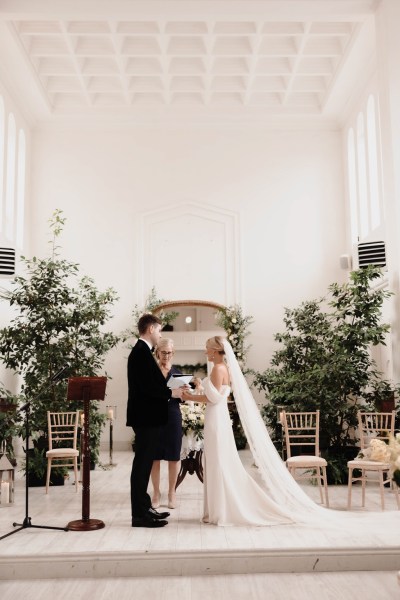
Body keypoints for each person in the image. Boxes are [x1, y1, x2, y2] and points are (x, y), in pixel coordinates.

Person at [181, 335, 325, 526]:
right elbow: (216, 394)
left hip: (216, 417)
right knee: (218, 461)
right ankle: (218, 510)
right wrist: (200, 388)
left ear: (215, 351)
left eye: (207, 348)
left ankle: (221, 511)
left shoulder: (217, 368)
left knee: (218, 462)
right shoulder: (223, 368)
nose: (206, 351)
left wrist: (189, 396)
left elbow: (213, 398)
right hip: (218, 417)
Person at [127, 314, 184, 528]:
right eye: (159, 330)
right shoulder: (141, 352)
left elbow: (150, 386)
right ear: (150, 329)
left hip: (147, 417)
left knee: (143, 466)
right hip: (145, 417)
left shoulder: (143, 352)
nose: (160, 334)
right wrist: (172, 394)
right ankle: (140, 516)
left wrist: (171, 392)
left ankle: (145, 509)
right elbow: (148, 389)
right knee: (142, 467)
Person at [151, 337, 183, 509]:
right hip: (154, 418)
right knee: (154, 458)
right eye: (163, 353)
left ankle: (172, 492)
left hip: (173, 417)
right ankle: (156, 493)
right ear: (157, 352)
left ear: (173, 353)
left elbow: (180, 397)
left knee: (173, 456)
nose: (166, 356)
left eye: (169, 353)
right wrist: (170, 392)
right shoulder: (150, 371)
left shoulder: (177, 373)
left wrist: (184, 392)